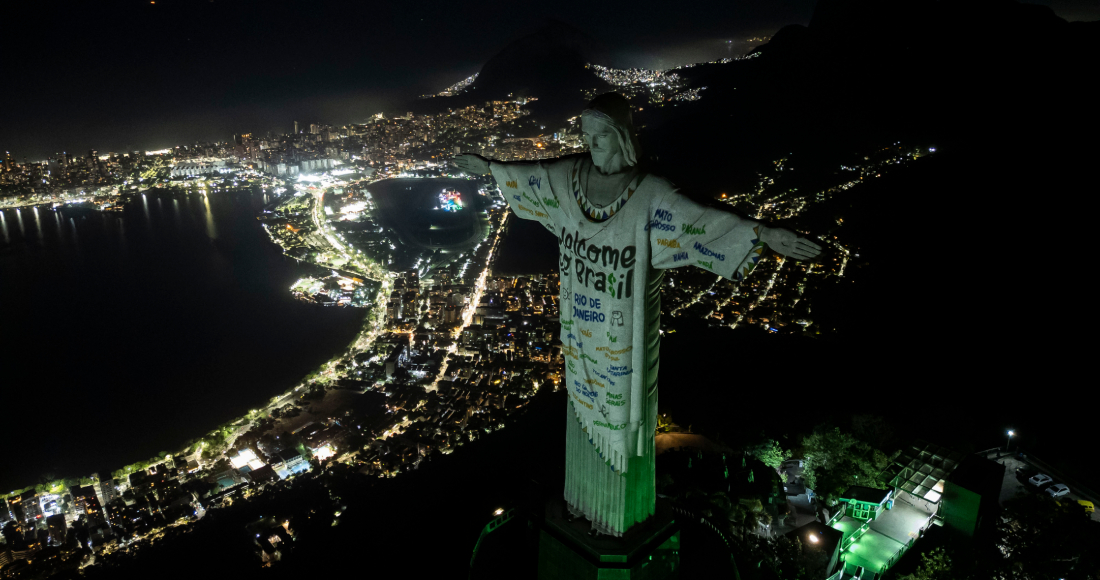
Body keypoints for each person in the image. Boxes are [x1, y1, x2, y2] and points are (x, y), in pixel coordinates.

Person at [453, 92, 822, 536]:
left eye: (601, 137)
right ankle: (584, 510)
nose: (592, 145)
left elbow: (699, 219)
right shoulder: (570, 176)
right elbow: (534, 177)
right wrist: (491, 169)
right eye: (586, 136)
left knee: (625, 422)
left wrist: (761, 233)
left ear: (622, 137)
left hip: (621, 328)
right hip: (580, 322)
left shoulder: (649, 193)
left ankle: (619, 521)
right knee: (580, 410)